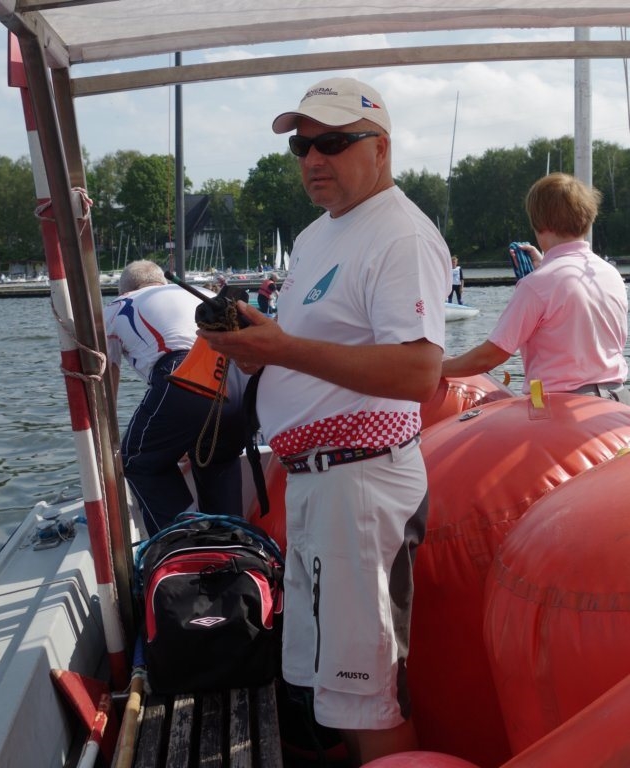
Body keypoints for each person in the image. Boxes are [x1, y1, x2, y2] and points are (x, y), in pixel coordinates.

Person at [198, 77, 451, 765]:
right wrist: (255, 346)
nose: (313, 158)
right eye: (301, 146)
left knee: (367, 694)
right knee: (336, 690)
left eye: (334, 143)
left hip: (361, 489)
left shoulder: (401, 236)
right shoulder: (317, 236)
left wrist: (280, 349)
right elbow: (312, 348)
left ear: (381, 148)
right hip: (318, 483)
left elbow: (418, 373)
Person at [442, 172, 630, 401]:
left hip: (561, 405)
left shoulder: (536, 285)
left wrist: (437, 369)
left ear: (539, 223)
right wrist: (543, 266)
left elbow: (490, 356)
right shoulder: (610, 274)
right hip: (617, 400)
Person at [104, 260, 249, 536]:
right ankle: (232, 544)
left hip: (188, 374)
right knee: (216, 458)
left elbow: (107, 379)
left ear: (124, 289)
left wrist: (104, 439)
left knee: (137, 459)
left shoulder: (118, 305)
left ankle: (185, 546)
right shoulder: (198, 292)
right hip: (240, 381)